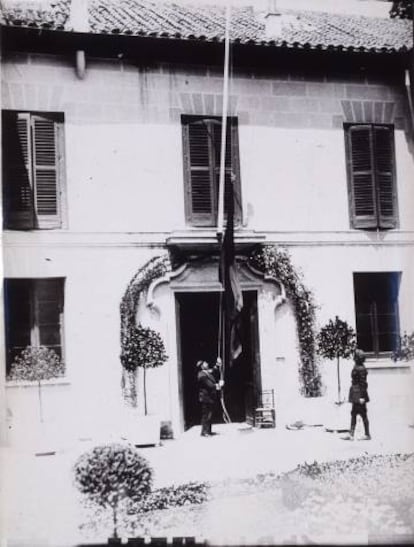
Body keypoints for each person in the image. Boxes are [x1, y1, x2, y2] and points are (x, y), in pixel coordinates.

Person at [345, 348, 371, 440]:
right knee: (354, 413)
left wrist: (362, 397)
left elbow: (363, 384)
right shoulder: (358, 367)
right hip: (356, 393)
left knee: (363, 413)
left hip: (359, 394)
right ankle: (351, 434)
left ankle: (367, 434)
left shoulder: (361, 369)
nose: (354, 357)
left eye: (355, 356)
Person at [197, 358, 224, 437]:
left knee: (210, 414)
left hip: (210, 397)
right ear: (202, 366)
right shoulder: (201, 374)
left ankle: (208, 431)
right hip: (206, 398)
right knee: (206, 415)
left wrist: (217, 364)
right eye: (205, 364)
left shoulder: (206, 372)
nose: (207, 364)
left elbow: (213, 370)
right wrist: (219, 384)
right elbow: (210, 385)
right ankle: (204, 432)